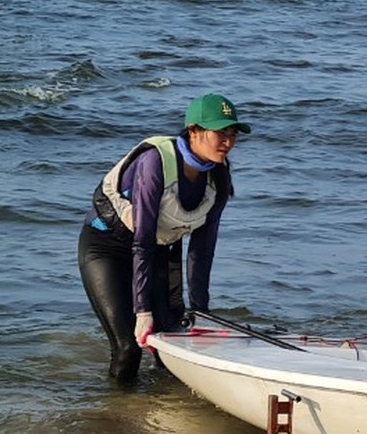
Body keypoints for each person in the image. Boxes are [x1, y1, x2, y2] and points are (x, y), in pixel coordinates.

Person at [78, 93, 244, 383]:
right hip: (107, 249)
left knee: (173, 343)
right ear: (193, 131)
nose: (228, 142)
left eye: (232, 134)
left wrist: (201, 312)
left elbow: (202, 251)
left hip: (157, 252)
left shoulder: (219, 176)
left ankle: (165, 411)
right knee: (130, 348)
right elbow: (142, 239)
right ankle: (114, 417)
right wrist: (143, 311)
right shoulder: (155, 162)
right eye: (220, 133)